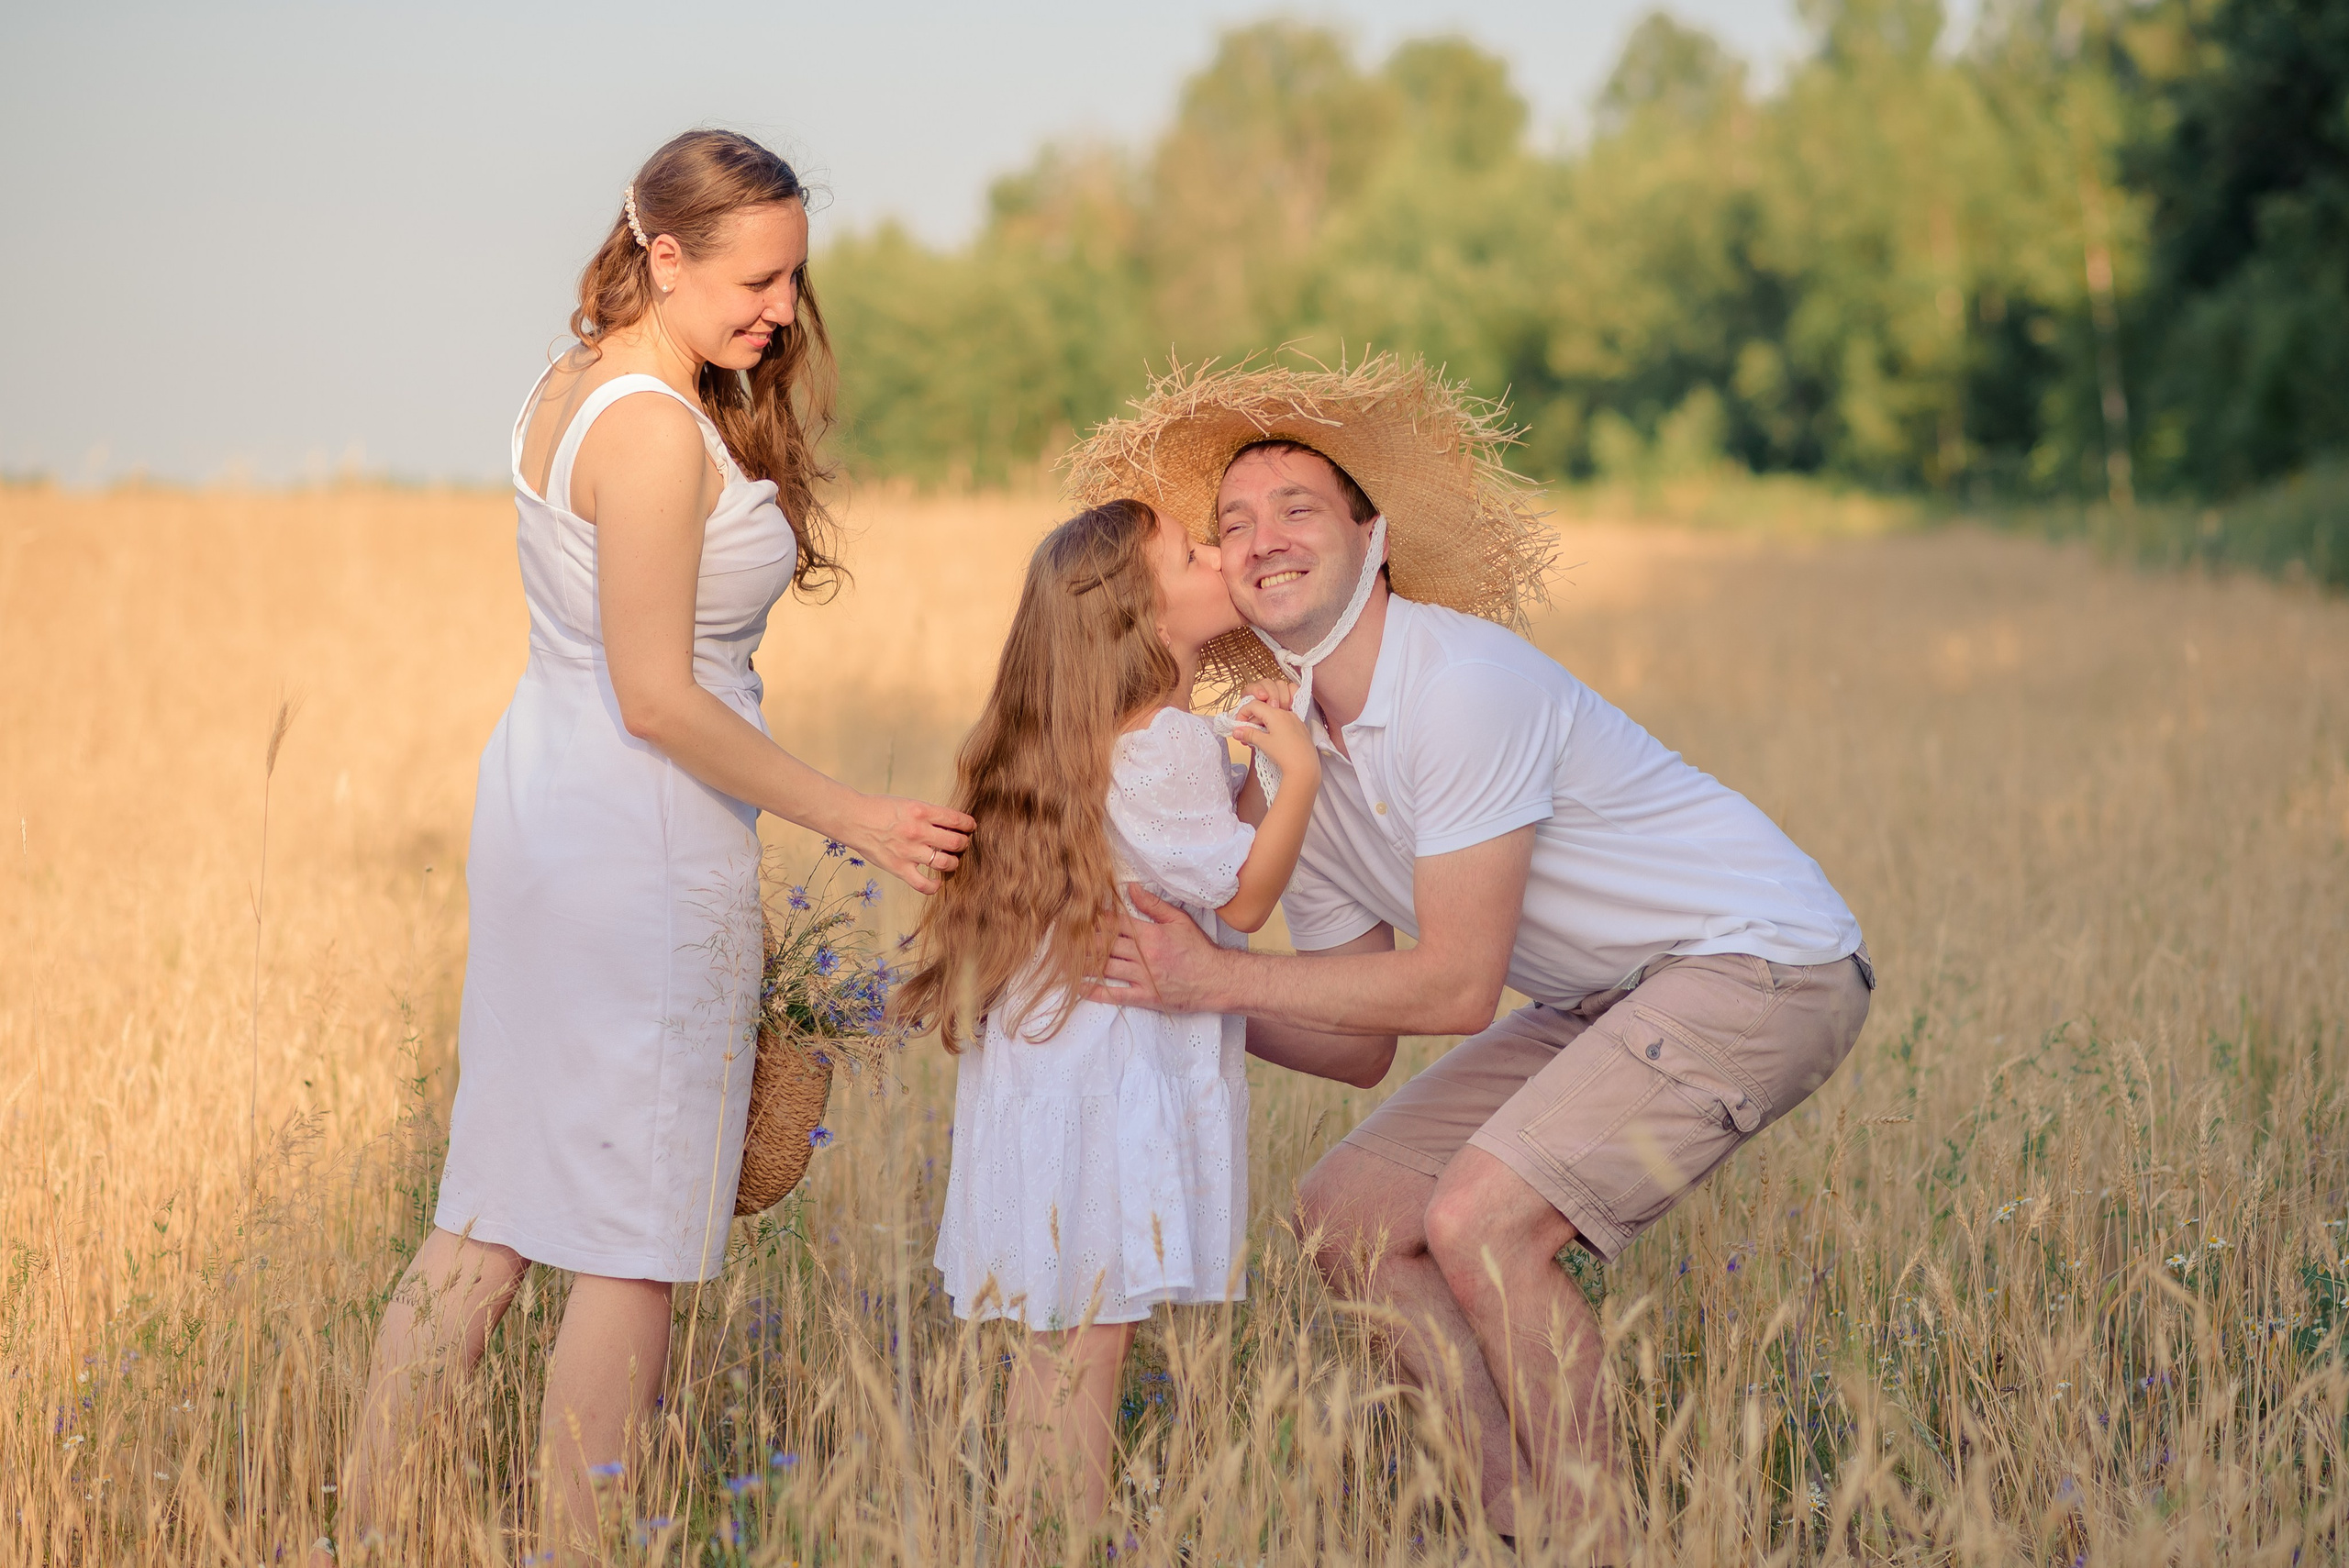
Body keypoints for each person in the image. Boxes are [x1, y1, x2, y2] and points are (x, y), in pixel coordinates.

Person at [1065, 356, 1874, 1562]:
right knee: (1347, 1218)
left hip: (1763, 963)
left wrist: (1215, 979)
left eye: (1298, 508)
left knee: (1481, 1220)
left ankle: (1601, 1546)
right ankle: (1516, 1519)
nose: (1261, 537)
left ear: (1371, 535)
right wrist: (1152, 985)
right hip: (1601, 996)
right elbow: (1356, 1041)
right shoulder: (1303, 765)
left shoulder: (1461, 685)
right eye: (1231, 523)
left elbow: (1451, 986)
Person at [321, 131, 974, 1561]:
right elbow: (660, 696)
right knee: (639, 1235)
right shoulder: (654, 430)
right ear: (663, 253)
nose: (783, 312)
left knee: (490, 1204)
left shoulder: (568, 384)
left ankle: (356, 1533)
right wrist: (857, 815)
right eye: (759, 278)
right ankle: (577, 1543)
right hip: (638, 843)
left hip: (550, 811)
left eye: (796, 279)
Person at [893, 497, 1321, 1538]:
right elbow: (1246, 898)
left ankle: (1031, 1534)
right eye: (1190, 551)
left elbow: (1206, 856)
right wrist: (1298, 775)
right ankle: (1061, 1538)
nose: (1221, 556)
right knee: (1094, 1339)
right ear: (1139, 612)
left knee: (1059, 1335)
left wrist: (1252, 782)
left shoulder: (1079, 742)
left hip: (1046, 1080)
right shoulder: (1166, 744)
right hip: (1111, 1082)